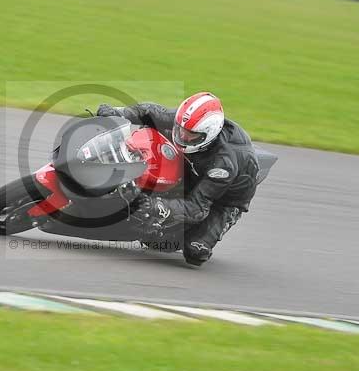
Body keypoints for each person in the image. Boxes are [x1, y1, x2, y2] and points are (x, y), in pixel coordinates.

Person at [97, 92, 260, 266]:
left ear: (208, 134)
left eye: (190, 135)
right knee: (155, 140)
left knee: (195, 252)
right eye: (181, 130)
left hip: (225, 197)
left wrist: (157, 206)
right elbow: (151, 111)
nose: (183, 137)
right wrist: (118, 112)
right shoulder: (187, 123)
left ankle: (200, 227)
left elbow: (197, 208)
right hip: (195, 164)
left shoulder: (223, 164)